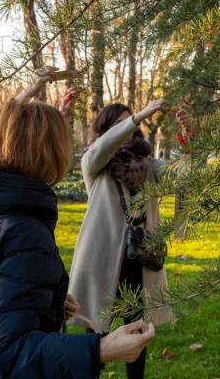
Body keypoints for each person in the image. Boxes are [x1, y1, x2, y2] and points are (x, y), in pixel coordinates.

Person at [0, 100, 155, 379]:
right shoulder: (24, 232)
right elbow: (11, 351)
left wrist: (45, 302)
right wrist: (101, 349)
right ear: (46, 152)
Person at [69, 99, 192, 379]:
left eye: (131, 125)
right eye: (120, 124)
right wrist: (136, 118)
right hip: (103, 262)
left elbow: (183, 176)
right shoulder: (94, 162)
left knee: (137, 330)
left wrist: (188, 139)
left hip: (139, 258)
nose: (127, 130)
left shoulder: (147, 166)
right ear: (106, 129)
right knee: (96, 331)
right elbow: (101, 149)